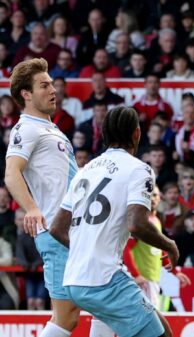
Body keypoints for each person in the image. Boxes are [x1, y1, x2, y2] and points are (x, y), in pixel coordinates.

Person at [4, 58, 112, 337]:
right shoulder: (25, 128)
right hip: (56, 231)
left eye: (52, 84)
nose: (53, 90)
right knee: (66, 317)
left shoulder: (50, 129)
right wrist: (30, 208)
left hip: (76, 230)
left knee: (103, 304)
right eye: (44, 85)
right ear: (26, 94)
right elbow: (11, 174)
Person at [49, 106, 178, 337]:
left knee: (160, 325)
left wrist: (87, 248)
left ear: (103, 134)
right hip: (105, 279)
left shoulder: (85, 170)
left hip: (75, 279)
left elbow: (57, 228)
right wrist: (169, 244)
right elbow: (137, 224)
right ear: (136, 133)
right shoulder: (139, 169)